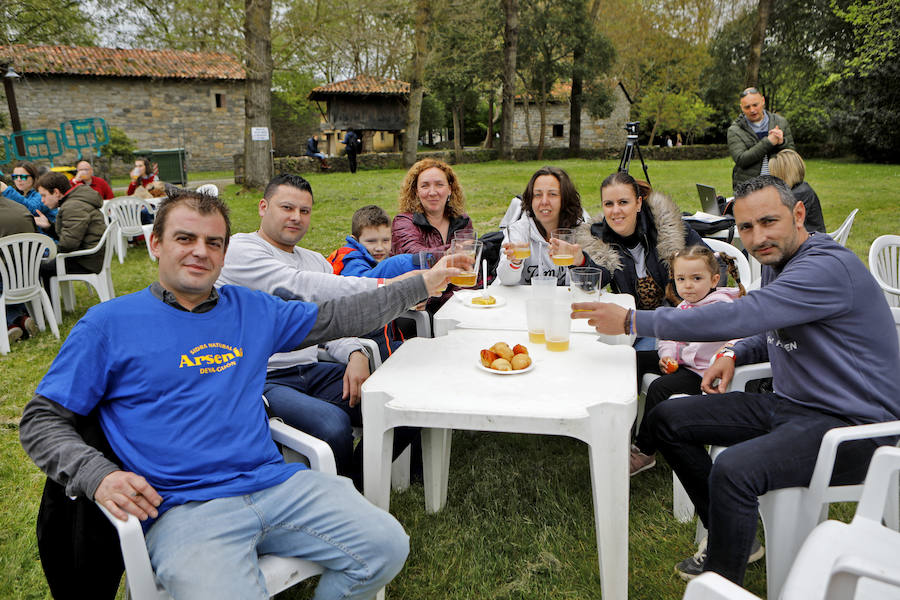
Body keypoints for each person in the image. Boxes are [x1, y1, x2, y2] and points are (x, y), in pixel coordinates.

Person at [20, 189, 456, 599]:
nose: (200, 251)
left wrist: (424, 282)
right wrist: (97, 475)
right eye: (184, 238)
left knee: (385, 546)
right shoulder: (108, 324)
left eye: (213, 242)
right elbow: (41, 420)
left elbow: (341, 313)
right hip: (183, 508)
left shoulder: (251, 309)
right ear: (155, 244)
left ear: (225, 253)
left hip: (275, 484)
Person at [573, 175, 900, 588]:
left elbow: (738, 316)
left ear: (799, 215)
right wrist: (734, 353)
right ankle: (734, 536)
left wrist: (631, 319)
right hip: (792, 405)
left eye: (768, 221)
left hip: (855, 428)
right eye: (746, 227)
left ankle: (720, 586)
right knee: (664, 420)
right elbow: (767, 330)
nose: (757, 237)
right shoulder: (778, 261)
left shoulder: (825, 267)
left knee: (733, 468)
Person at [217, 175, 426, 484]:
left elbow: (333, 320)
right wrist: (399, 283)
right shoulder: (240, 249)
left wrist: (355, 352)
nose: (296, 217)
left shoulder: (314, 260)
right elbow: (303, 287)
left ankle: (358, 481)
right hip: (263, 378)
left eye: (304, 210)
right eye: (286, 207)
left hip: (312, 368)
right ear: (263, 207)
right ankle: (349, 491)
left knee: (408, 400)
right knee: (333, 424)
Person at [630, 245, 746, 476]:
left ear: (714, 280)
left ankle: (645, 451)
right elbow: (668, 336)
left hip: (704, 373)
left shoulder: (722, 307)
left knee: (660, 388)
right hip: (681, 362)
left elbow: (717, 341)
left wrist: (677, 358)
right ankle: (626, 425)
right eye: (681, 279)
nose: (688, 285)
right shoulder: (685, 305)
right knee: (632, 359)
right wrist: (666, 356)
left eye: (696, 278)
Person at [574, 171, 706, 350]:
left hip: (679, 324)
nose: (615, 211)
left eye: (623, 202)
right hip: (634, 328)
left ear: (638, 203)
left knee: (626, 360)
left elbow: (714, 267)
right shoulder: (598, 238)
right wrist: (581, 260)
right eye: (608, 204)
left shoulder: (671, 230)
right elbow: (598, 279)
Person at [497, 166, 587, 285]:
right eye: (538, 195)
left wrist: (580, 260)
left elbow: (589, 284)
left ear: (565, 199)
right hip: (524, 301)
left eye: (552, 194)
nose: (544, 201)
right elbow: (506, 280)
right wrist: (515, 262)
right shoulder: (519, 230)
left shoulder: (580, 231)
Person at [33, 172, 106, 284]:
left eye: (44, 195)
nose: (42, 200)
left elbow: (68, 245)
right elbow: (72, 234)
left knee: (40, 268)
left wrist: (45, 252)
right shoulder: (75, 201)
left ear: (56, 192)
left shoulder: (72, 207)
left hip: (86, 261)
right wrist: (48, 226)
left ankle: (48, 302)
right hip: (90, 257)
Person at [391, 158, 474, 255]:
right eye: (425, 186)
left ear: (450, 189)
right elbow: (413, 255)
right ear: (416, 191)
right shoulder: (403, 222)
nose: (432, 192)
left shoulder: (462, 221)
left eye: (439, 185)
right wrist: (451, 250)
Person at [727, 87, 794, 192]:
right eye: (747, 107)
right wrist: (769, 142)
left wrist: (782, 142)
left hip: (779, 184)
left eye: (755, 105)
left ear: (763, 101)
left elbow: (792, 155)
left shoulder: (780, 122)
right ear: (741, 107)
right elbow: (741, 160)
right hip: (749, 188)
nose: (752, 110)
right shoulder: (735, 130)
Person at [329, 205, 418, 278]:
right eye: (371, 241)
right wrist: (397, 264)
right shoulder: (352, 261)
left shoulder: (378, 257)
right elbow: (367, 286)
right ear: (356, 240)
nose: (379, 248)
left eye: (385, 240)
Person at [1, 195, 38, 344]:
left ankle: (9, 324)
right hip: (29, 275)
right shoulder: (21, 208)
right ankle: (20, 319)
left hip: (4, 280)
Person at [767, 149, 825, 234]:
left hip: (807, 241)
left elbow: (783, 227)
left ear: (782, 174)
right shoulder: (800, 189)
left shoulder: (799, 194)